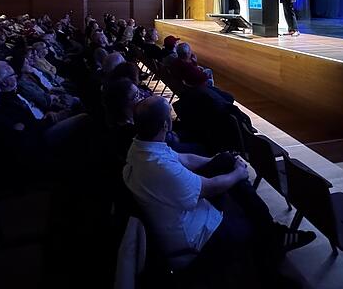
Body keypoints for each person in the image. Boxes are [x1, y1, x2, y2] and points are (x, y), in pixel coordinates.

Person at [123, 96, 315, 276]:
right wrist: (238, 173)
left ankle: (271, 234)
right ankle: (270, 261)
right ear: (166, 125)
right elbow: (209, 187)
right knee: (254, 228)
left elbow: (185, 158)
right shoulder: (159, 167)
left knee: (225, 161)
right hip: (200, 237)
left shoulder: (141, 147)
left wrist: (217, 160)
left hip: (186, 215)